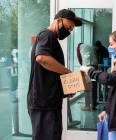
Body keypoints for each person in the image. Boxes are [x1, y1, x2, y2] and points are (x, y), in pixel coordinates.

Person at [27, 9, 82, 140]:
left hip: (48, 103)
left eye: (71, 30)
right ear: (58, 20)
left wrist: (66, 88)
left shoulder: (51, 38)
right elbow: (42, 58)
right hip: (44, 105)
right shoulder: (47, 35)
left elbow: (49, 73)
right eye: (68, 27)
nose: (68, 31)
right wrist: (69, 72)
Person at [76, 43, 98, 110]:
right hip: (94, 66)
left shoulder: (79, 47)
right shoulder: (90, 46)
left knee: (87, 87)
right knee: (94, 87)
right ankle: (93, 105)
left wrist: (82, 65)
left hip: (87, 67)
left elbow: (79, 57)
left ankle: (87, 106)